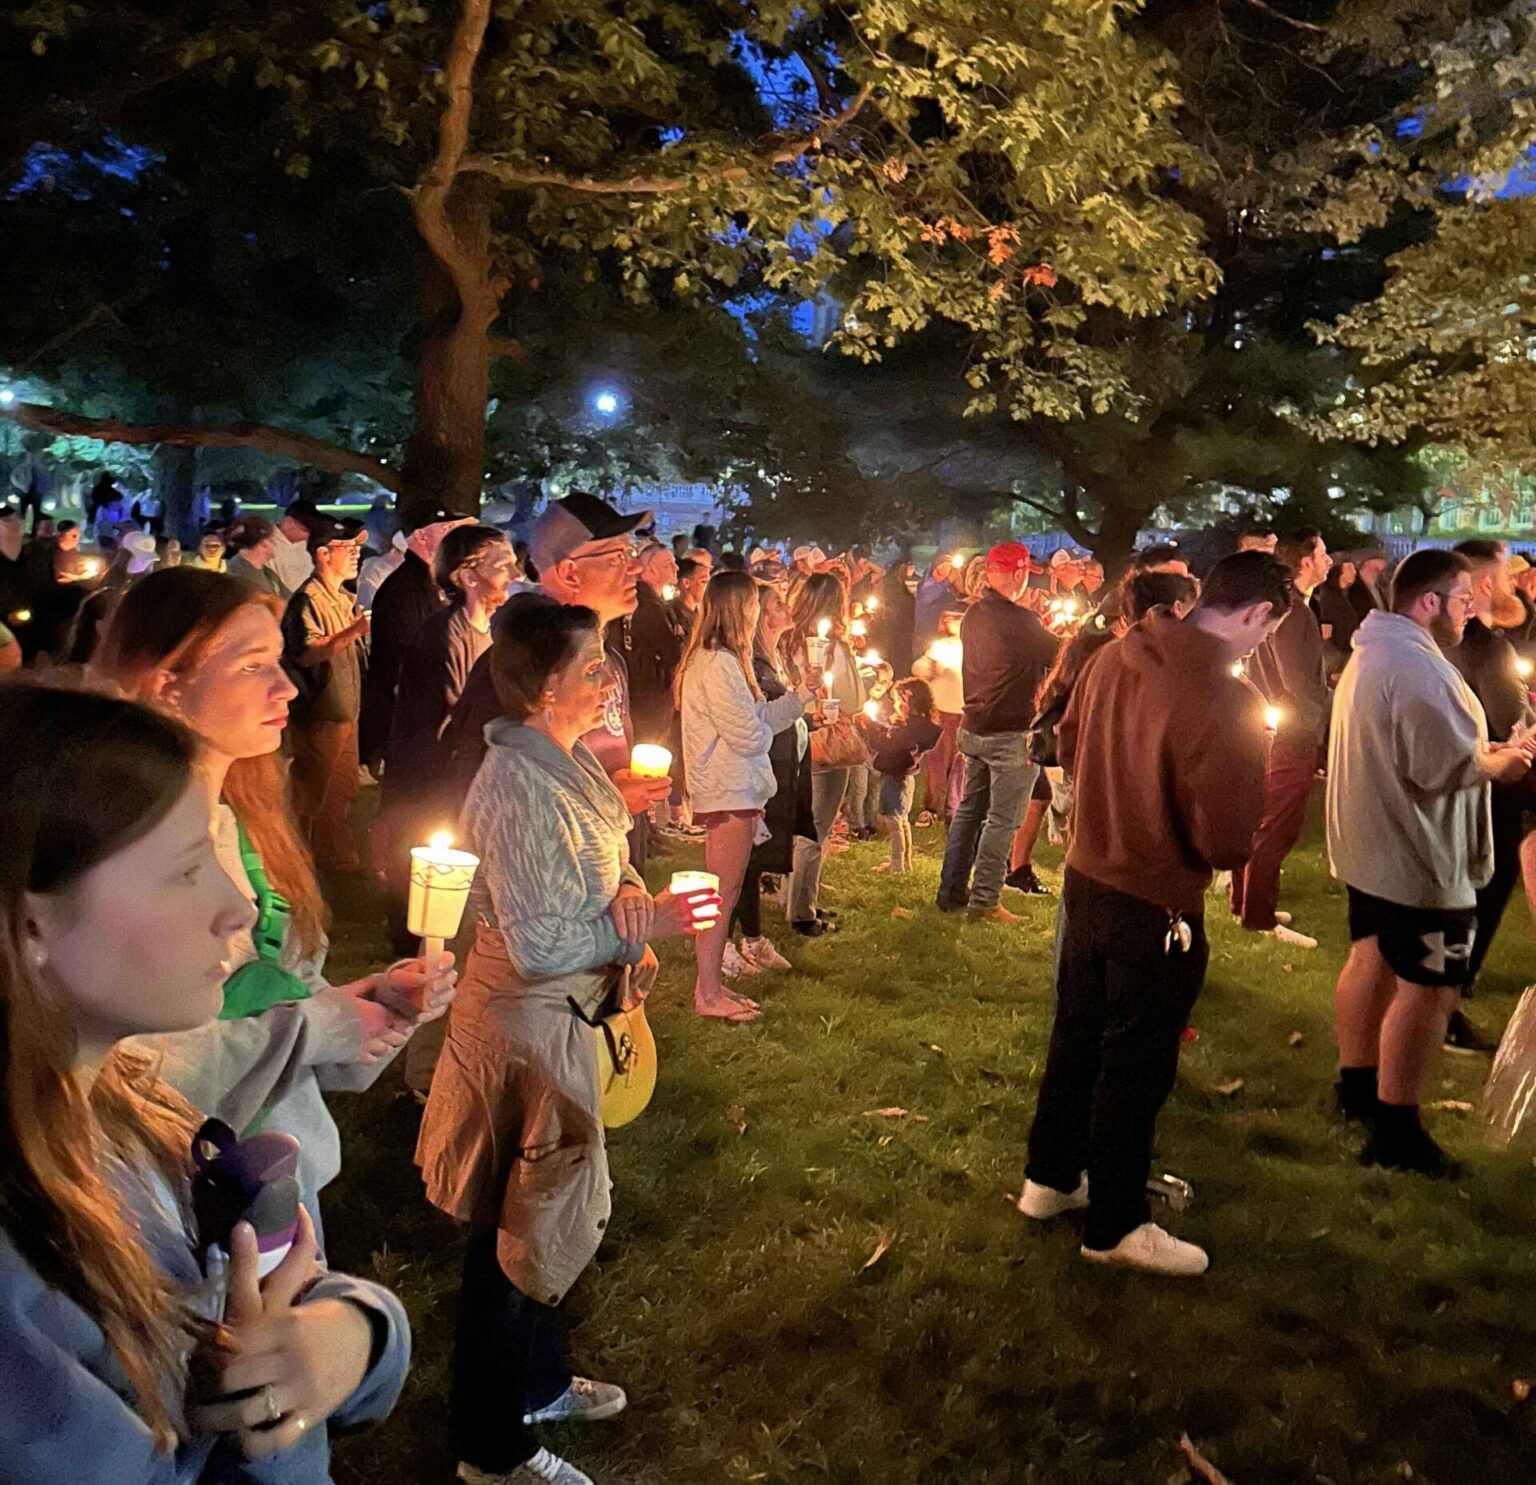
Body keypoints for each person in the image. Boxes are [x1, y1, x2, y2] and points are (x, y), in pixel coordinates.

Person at [0, 682, 410, 1483]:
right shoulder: (19, 1276)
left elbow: (254, 1287)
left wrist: (358, 1329)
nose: (236, 908)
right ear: (31, 920)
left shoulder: (133, 1109)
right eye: (187, 870)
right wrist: (271, 1421)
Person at [416, 602, 717, 1485]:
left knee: (542, 1216)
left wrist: (627, 886)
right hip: (522, 1029)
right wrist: (652, 922)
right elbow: (541, 943)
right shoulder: (516, 785)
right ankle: (489, 1448)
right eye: (591, 668)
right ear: (546, 686)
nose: (607, 680)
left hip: (560, 1019)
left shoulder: (568, 758)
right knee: (514, 1232)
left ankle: (538, 1383)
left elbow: (602, 857)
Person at [94, 569, 455, 1225]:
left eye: (280, 660)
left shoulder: (248, 828)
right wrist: (314, 1028)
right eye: (252, 664)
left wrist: (375, 1009)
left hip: (279, 1190)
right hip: (162, 1200)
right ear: (167, 683)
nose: (286, 686)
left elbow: (289, 1006)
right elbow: (122, 1076)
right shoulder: (114, 854)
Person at [1020, 552, 1292, 1276]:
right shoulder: (1224, 697)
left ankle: (1050, 1177)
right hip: (1154, 898)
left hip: (1087, 876)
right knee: (1135, 1063)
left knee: (1076, 1035)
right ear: (1256, 614)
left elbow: (1069, 746)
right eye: (1266, 633)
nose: (1260, 647)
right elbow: (1227, 839)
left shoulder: (1113, 655)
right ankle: (1115, 1222)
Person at [1328, 549, 1535, 1177]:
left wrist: (1480, 747)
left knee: (1370, 956)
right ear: (1429, 602)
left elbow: (1424, 746)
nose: (1471, 611)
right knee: (1431, 989)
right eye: (1463, 599)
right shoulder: (1415, 668)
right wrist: (1505, 760)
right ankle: (1396, 1130)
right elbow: (1440, 767)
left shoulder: (1378, 652)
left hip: (1373, 849)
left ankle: (1357, 1090)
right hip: (1417, 859)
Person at [446, 493, 673, 870]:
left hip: (605, 868)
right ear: (569, 573)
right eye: (617, 557)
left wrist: (621, 784)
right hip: (551, 876)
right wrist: (608, 799)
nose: (635, 567)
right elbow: (490, 785)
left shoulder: (610, 658)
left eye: (631, 552)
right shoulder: (521, 665)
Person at [678, 571, 814, 1021]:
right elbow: (749, 735)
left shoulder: (727, 662)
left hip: (736, 787)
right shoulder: (717, 663)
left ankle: (711, 986)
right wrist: (761, 729)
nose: (758, 611)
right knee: (721, 893)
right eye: (755, 602)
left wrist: (803, 695)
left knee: (729, 890)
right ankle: (708, 992)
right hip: (727, 789)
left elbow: (759, 718)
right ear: (740, 608)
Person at [380, 525, 518, 956]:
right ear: (467, 576)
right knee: (424, 869)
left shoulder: (490, 632)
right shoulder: (444, 635)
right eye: (503, 565)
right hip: (430, 779)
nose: (515, 573)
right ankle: (418, 954)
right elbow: (448, 719)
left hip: (461, 773)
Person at [1439, 539, 1533, 1050]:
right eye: (1503, 577)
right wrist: (1525, 718)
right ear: (1482, 584)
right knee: (1480, 893)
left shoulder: (1434, 640)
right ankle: (1450, 995)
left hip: (1448, 788)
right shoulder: (1487, 648)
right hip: (1489, 791)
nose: (1511, 585)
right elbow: (1509, 722)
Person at [935, 543, 1059, 923]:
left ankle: (952, 891)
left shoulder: (973, 614)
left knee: (970, 811)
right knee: (1002, 820)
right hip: (1010, 733)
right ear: (1019, 574)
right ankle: (985, 901)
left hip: (975, 726)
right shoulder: (1022, 622)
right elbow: (1059, 656)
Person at [1232, 529, 1332, 950]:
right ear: (1305, 562)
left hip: (1271, 726)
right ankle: (1258, 916)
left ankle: (1244, 901)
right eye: (1323, 554)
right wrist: (1324, 708)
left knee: (1261, 820)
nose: (1329, 561)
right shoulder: (1296, 612)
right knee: (1276, 826)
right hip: (1290, 734)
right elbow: (1298, 682)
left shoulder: (1280, 605)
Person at [282, 518, 371, 872]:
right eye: (347, 548)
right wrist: (354, 631)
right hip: (321, 714)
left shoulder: (343, 599)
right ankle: (293, 859)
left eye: (357, 548)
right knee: (311, 792)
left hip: (345, 711)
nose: (356, 555)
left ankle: (334, 856)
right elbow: (305, 653)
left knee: (341, 789)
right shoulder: (308, 599)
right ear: (323, 554)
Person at [359, 506, 471, 770]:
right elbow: (402, 659)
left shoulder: (433, 583)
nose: (454, 536)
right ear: (420, 537)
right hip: (406, 719)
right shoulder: (403, 590)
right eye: (445, 529)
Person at [787, 571, 867, 936]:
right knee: (815, 828)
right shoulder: (834, 648)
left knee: (799, 823)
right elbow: (852, 699)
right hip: (827, 741)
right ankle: (801, 911)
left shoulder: (787, 642)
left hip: (795, 735)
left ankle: (798, 896)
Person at [868, 677, 942, 874]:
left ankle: (896, 863)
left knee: (893, 821)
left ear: (910, 701)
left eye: (900, 700)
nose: (897, 704)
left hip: (896, 778)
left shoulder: (912, 729)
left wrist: (871, 729)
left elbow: (890, 745)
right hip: (904, 778)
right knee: (902, 819)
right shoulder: (916, 726)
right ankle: (905, 860)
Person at [1314, 559, 1362, 675]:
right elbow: (1326, 629)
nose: (1354, 572)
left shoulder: (1344, 596)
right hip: (1339, 657)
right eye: (1349, 568)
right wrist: (1334, 660)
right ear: (1339, 573)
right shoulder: (1329, 598)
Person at [269, 496, 323, 596]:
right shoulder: (266, 545)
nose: (307, 536)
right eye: (305, 530)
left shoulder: (305, 546)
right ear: (288, 522)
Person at [225, 514, 287, 597]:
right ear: (264, 544)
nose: (275, 544)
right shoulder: (237, 574)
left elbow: (289, 599)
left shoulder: (269, 574)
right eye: (273, 540)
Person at [667, 555, 709, 638]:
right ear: (686, 583)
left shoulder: (705, 615)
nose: (708, 587)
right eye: (703, 581)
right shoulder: (671, 615)